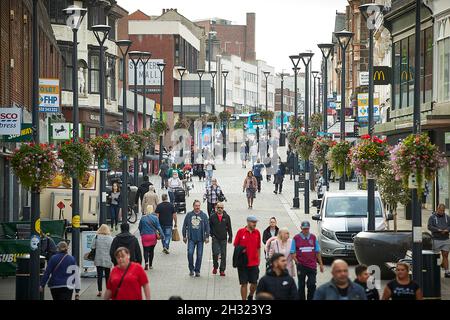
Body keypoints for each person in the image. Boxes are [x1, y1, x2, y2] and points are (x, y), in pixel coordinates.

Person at [291, 221, 324, 300]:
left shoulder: (313, 237)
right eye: (304, 229)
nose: (306, 230)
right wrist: (297, 262)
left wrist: (321, 264)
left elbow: (317, 251)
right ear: (301, 228)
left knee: (312, 284)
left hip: (312, 265)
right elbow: (292, 252)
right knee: (301, 285)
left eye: (307, 229)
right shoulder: (296, 238)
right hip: (301, 266)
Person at [234, 215, 261, 301]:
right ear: (248, 222)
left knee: (254, 283)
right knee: (244, 283)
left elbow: (258, 247)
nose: (255, 224)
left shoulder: (257, 232)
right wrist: (241, 250)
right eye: (253, 222)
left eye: (255, 222)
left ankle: (251, 295)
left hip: (254, 262)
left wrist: (259, 259)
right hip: (243, 263)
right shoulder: (240, 232)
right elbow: (236, 244)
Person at [182, 200, 210, 277]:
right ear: (193, 206)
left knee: (199, 255)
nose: (197, 207)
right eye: (196, 206)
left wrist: (207, 236)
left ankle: (197, 270)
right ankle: (191, 269)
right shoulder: (189, 215)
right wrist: (184, 236)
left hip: (200, 239)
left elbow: (207, 226)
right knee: (190, 253)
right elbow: (185, 225)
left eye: (198, 206)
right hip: (191, 238)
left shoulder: (203, 215)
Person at [209, 202, 233, 276]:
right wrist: (211, 234)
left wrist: (230, 237)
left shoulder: (227, 217)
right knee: (215, 253)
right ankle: (215, 266)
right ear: (216, 208)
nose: (220, 209)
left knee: (223, 254)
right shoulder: (212, 217)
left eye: (221, 208)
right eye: (218, 207)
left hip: (223, 238)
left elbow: (229, 227)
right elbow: (209, 226)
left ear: (223, 208)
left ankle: (222, 270)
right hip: (215, 238)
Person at [427, 203, 450, 278]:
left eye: (443, 210)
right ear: (437, 209)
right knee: (436, 256)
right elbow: (429, 226)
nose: (442, 212)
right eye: (440, 210)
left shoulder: (447, 217)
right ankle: (436, 271)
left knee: (446, 255)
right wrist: (438, 230)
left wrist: (447, 230)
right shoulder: (432, 217)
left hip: (446, 238)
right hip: (436, 239)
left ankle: (447, 272)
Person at [91, 224, 113, 297]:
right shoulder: (111, 238)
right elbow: (112, 248)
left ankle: (100, 291)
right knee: (108, 276)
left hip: (99, 259)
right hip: (108, 259)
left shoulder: (96, 237)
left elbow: (92, 247)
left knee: (99, 276)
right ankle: (108, 290)